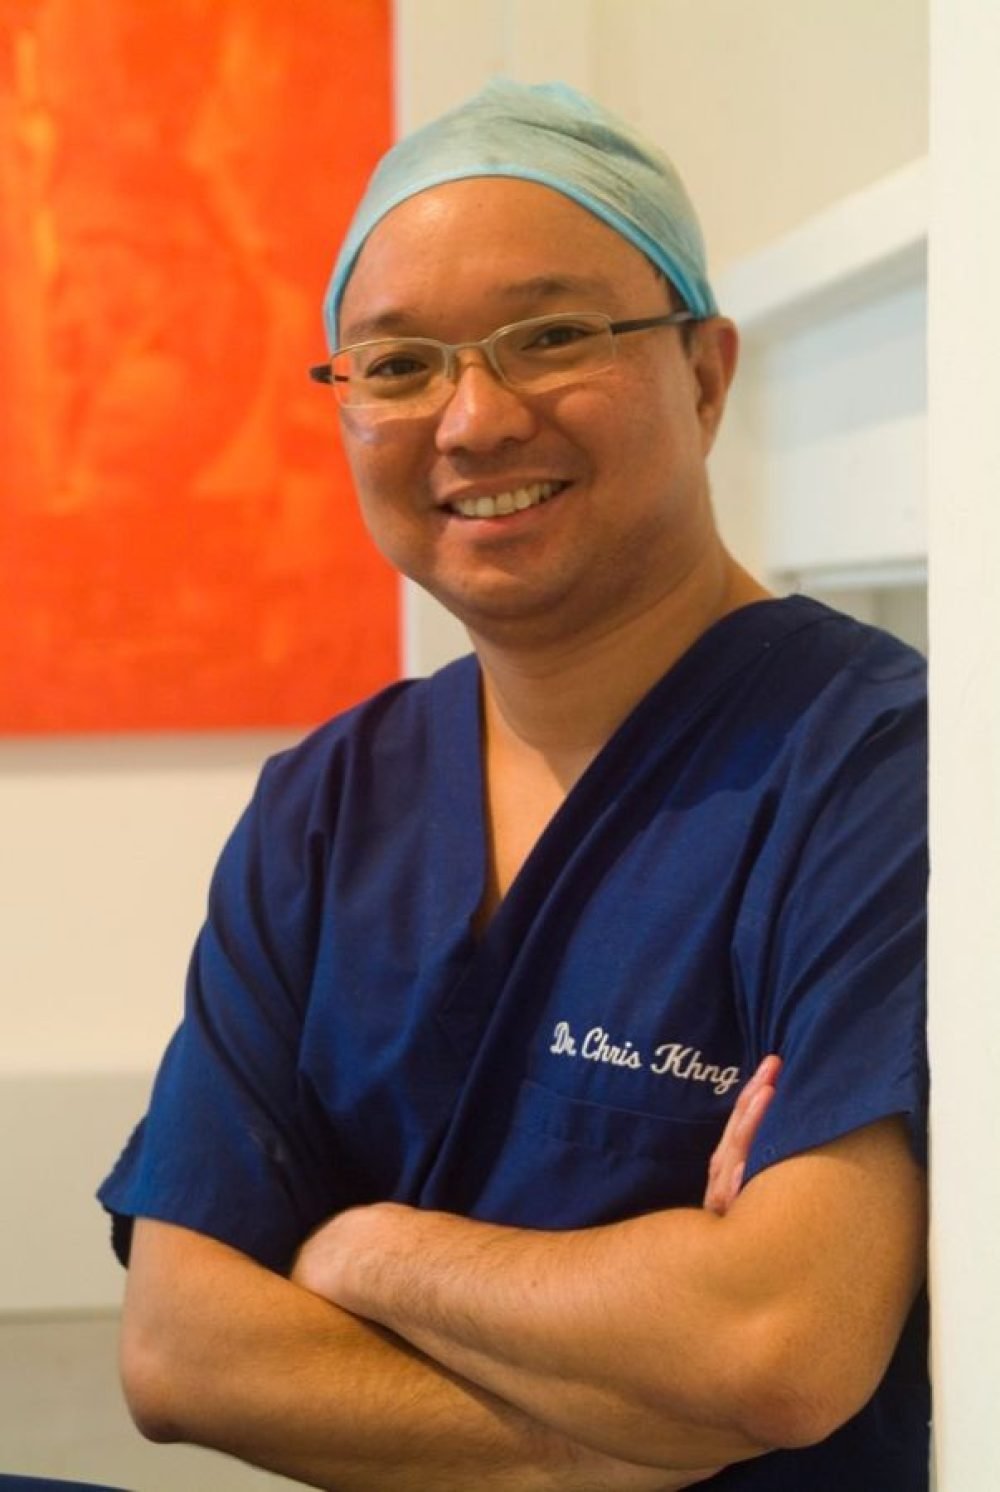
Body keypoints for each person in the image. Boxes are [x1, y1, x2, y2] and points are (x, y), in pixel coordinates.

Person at [98, 80, 928, 1491]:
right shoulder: (326, 806)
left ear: (706, 373)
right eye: (398, 364)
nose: (474, 420)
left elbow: (779, 1342)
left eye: (550, 336)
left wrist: (367, 1249)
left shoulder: (880, 771)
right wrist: (614, 1441)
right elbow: (182, 1352)